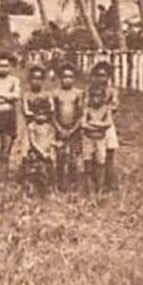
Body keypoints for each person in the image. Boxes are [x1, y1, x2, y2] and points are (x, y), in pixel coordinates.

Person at [21, 64, 55, 194]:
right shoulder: (27, 95)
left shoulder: (47, 94)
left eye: (40, 78)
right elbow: (26, 111)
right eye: (34, 78)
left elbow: (51, 109)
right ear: (30, 80)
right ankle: (27, 182)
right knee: (26, 155)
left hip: (44, 129)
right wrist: (35, 113)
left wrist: (44, 112)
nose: (36, 81)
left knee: (48, 157)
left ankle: (48, 184)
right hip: (31, 128)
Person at [52, 62, 84, 191]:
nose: (67, 80)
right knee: (60, 156)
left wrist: (73, 129)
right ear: (60, 78)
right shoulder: (55, 93)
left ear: (74, 78)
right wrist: (59, 128)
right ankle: (60, 182)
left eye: (70, 77)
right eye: (64, 77)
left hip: (74, 129)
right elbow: (52, 114)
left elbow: (81, 114)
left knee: (73, 157)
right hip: (59, 128)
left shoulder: (78, 93)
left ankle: (73, 183)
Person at [89, 59, 120, 192]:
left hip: (107, 125)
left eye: (104, 75)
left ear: (109, 77)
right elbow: (87, 106)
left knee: (110, 152)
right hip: (93, 124)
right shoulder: (91, 90)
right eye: (99, 75)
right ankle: (96, 182)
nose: (102, 79)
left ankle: (110, 182)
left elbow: (114, 106)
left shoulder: (112, 91)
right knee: (96, 154)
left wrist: (104, 108)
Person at [82, 79, 114, 195]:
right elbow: (83, 124)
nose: (96, 99)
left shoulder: (106, 109)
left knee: (101, 163)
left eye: (99, 96)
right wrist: (99, 126)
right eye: (93, 96)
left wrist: (94, 124)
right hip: (88, 139)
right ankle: (89, 190)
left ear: (103, 97)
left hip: (101, 140)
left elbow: (108, 123)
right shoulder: (87, 109)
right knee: (88, 163)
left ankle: (99, 189)